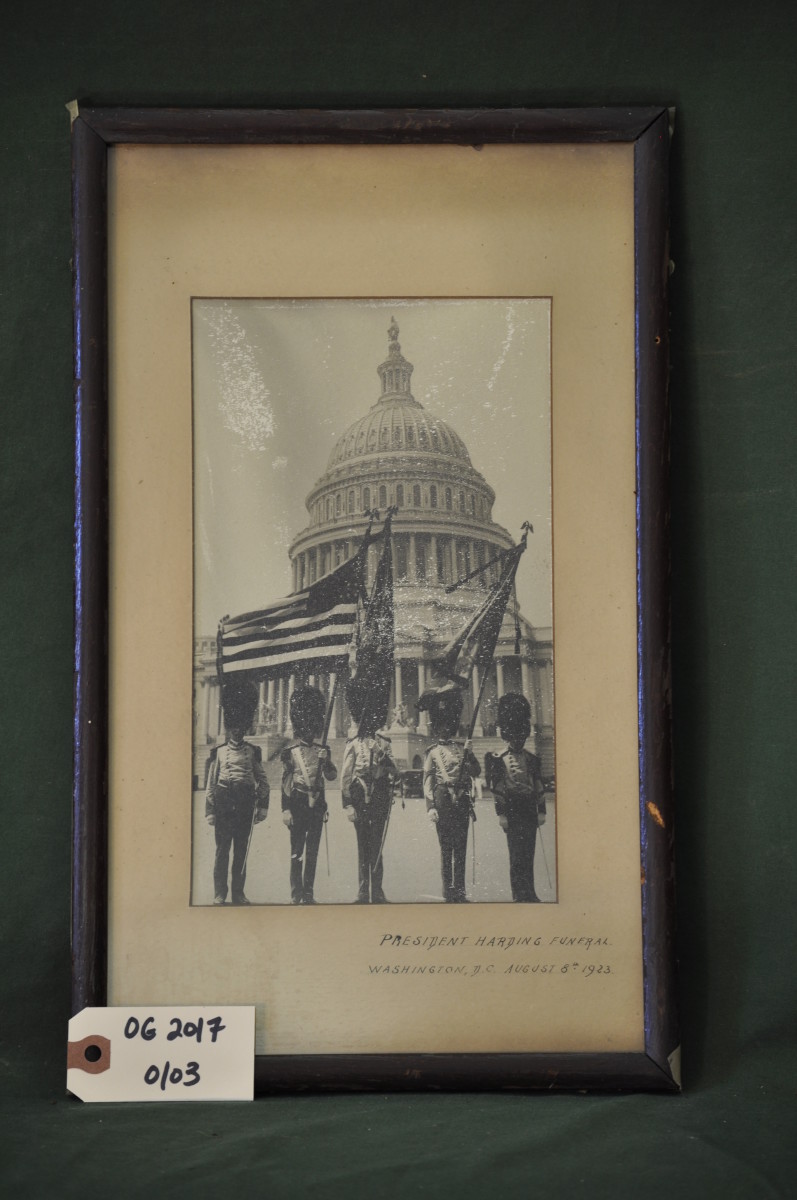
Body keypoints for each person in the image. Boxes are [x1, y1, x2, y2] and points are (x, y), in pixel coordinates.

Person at [205, 679, 269, 906]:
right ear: (229, 727)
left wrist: (263, 806)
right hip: (223, 803)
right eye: (234, 727)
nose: (238, 731)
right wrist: (210, 810)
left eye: (241, 727)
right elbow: (211, 783)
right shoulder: (219, 752)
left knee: (241, 851)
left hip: (244, 804)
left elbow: (262, 780)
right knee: (222, 851)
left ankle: (238, 893)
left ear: (245, 726)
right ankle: (219, 893)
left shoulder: (253, 751)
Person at [417, 685, 480, 903]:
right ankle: (448, 892)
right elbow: (427, 781)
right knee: (446, 850)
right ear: (437, 728)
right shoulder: (432, 752)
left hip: (461, 802)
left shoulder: (462, 748)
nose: (445, 729)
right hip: (443, 802)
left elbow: (476, 771)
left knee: (460, 850)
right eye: (441, 726)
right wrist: (430, 806)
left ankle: (460, 892)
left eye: (447, 726)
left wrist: (470, 755)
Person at [485, 692, 546, 903]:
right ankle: (519, 895)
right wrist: (501, 815)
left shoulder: (531, 759)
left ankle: (530, 892)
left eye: (521, 735)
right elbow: (498, 789)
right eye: (514, 736)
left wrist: (542, 810)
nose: (518, 739)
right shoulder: (498, 759)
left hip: (529, 810)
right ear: (508, 735)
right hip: (512, 811)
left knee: (528, 854)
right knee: (516, 857)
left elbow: (538, 785)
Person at [280, 685, 337, 905]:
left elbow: (331, 777)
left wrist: (328, 760)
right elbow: (285, 783)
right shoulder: (290, 752)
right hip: (297, 803)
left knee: (312, 852)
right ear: (300, 727)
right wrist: (285, 809)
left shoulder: (323, 750)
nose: (309, 732)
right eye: (306, 727)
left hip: (316, 806)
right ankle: (296, 893)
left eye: (312, 727)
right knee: (297, 851)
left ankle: (309, 893)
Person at [341, 726, 399, 903]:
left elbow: (395, 770)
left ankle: (377, 891)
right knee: (363, 846)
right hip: (359, 797)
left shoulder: (384, 742)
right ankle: (363, 891)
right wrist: (348, 804)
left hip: (379, 797)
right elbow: (345, 776)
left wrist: (379, 752)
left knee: (376, 846)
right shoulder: (353, 744)